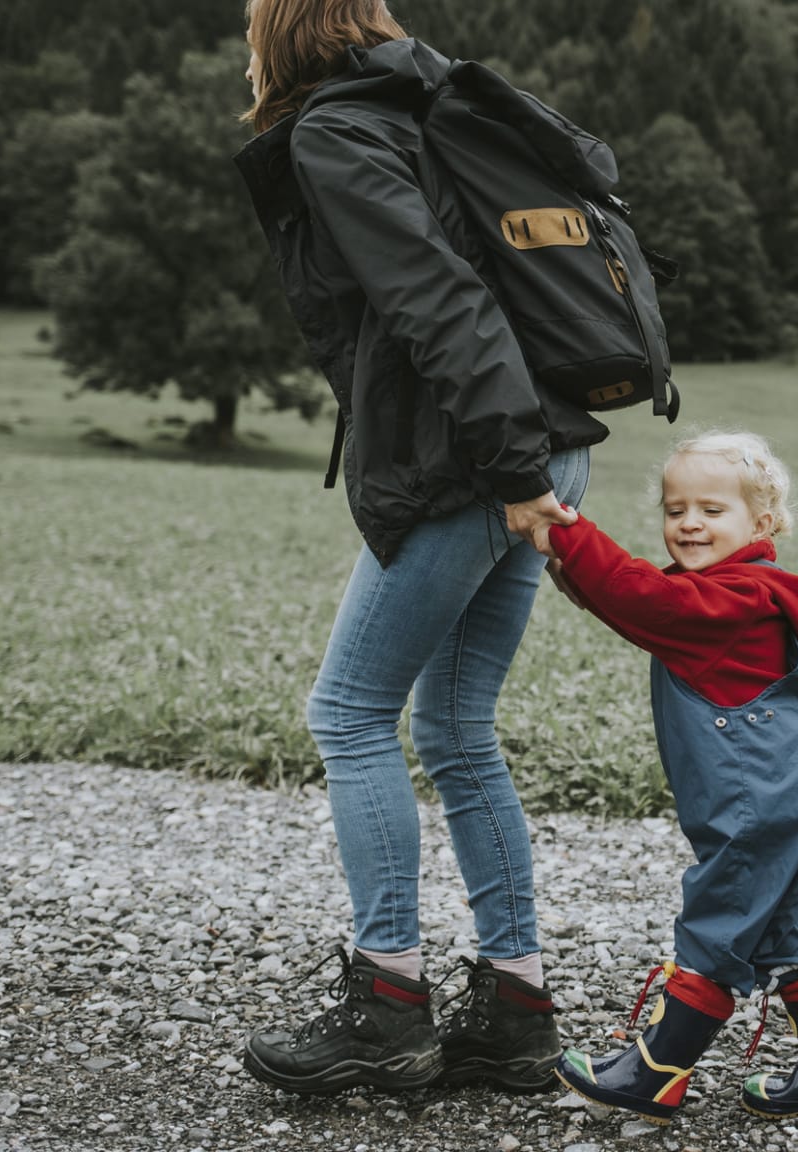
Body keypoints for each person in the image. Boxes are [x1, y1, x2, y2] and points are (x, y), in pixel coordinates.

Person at [231, 0, 605, 1096]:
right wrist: (533, 464)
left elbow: (441, 301)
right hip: (542, 444)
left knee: (347, 712)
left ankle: (388, 1004)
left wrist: (511, 469)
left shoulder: (340, 131)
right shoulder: (434, 98)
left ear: (279, 31)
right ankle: (514, 1012)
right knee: (452, 723)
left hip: (480, 461)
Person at [543, 431, 798, 1122]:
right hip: (796, 792)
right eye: (675, 508)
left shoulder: (726, 604)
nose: (688, 522)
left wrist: (567, 538)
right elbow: (644, 606)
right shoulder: (759, 594)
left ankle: (656, 1073)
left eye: (711, 510)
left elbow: (644, 601)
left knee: (717, 925)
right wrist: (573, 572)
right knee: (780, 931)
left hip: (753, 804)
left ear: (762, 523)